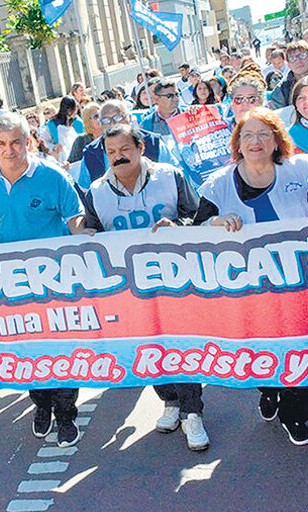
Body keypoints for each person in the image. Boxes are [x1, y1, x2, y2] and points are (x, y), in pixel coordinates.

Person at [0, 112, 91, 448]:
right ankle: (41, 405)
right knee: (28, 351)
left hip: (54, 280)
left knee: (59, 349)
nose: (10, 150)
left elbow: (74, 219)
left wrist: (85, 236)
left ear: (27, 140)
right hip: (11, 284)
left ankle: (65, 414)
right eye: (1, 144)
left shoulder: (53, 176)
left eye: (16, 142)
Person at [191, 108, 308, 446]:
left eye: (263, 134)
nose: (255, 141)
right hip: (251, 287)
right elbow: (196, 228)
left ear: (277, 140)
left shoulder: (303, 170)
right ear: (237, 143)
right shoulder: (219, 184)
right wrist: (216, 223)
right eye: (247, 135)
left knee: (306, 347)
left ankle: (295, 414)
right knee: (264, 351)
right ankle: (270, 389)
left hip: (301, 280)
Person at [79, 124, 208, 450]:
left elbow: (198, 218)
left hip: (175, 280)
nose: (118, 157)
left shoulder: (170, 176)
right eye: (111, 152)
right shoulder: (97, 191)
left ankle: (193, 412)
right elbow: (92, 231)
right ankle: (171, 401)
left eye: (124, 149)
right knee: (146, 348)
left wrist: (178, 226)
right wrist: (86, 235)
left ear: (140, 148)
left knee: (181, 344)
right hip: (129, 289)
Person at [76, 99, 177, 189]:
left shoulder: (153, 143)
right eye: (106, 120)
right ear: (101, 125)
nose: (113, 124)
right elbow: (84, 191)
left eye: (118, 117)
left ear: (129, 118)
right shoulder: (91, 154)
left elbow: (175, 177)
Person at [269, 40, 308, 109]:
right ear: (288, 64)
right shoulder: (282, 90)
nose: (298, 61)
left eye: (302, 56)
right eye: (292, 58)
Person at [42, 96, 81, 164]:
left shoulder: (78, 122)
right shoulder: (52, 124)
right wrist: (54, 147)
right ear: (69, 110)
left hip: (77, 158)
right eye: (75, 108)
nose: (77, 111)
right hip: (61, 159)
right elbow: (45, 142)